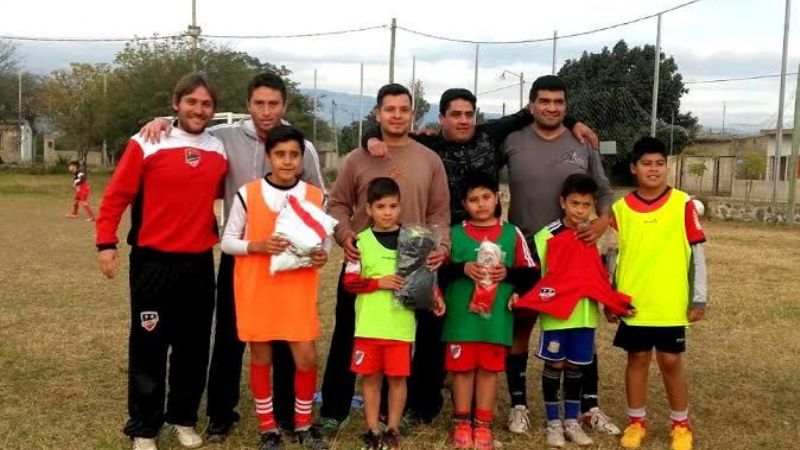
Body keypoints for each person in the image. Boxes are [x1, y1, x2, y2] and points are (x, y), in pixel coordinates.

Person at [361, 88, 599, 423]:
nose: (462, 120)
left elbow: (533, 110)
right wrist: (370, 138)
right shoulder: (429, 144)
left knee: (479, 320)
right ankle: (425, 401)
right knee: (433, 326)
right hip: (449, 240)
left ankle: (473, 400)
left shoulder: (491, 135)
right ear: (441, 118)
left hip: (489, 239)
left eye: (468, 114)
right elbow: (392, 131)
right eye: (454, 114)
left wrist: (573, 121)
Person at [138, 72, 325, 441]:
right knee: (228, 338)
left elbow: (318, 200)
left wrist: (317, 247)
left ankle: (288, 414)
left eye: (274, 103)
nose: (267, 111)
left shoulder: (301, 146)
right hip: (241, 260)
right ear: (248, 105)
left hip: (289, 263)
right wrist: (164, 121)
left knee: (288, 340)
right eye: (259, 103)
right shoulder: (223, 138)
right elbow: (190, 130)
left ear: (284, 106)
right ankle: (222, 413)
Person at [95, 73, 228, 450]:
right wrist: (105, 242)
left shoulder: (218, 150)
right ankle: (144, 428)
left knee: (193, 346)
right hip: (153, 263)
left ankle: (182, 418)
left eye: (206, 104)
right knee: (149, 345)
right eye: (191, 102)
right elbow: (117, 195)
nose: (198, 110)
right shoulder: (147, 140)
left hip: (199, 263)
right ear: (175, 104)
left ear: (213, 110)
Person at [319, 83, 450, 436]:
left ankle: (416, 408)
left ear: (412, 113)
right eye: (389, 109)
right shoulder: (357, 159)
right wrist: (346, 236)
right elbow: (338, 204)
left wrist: (443, 246)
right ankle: (334, 409)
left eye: (403, 109)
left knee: (418, 339)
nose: (396, 115)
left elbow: (439, 211)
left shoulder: (429, 159)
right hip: (367, 260)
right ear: (377, 113)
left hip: (414, 264)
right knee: (349, 334)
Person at [500, 75, 619, 435]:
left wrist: (601, 222)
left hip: (576, 253)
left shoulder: (582, 141)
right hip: (527, 251)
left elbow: (602, 190)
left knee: (581, 328)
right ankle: (519, 405)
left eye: (559, 102)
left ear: (566, 106)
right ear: (532, 104)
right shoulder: (511, 140)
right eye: (544, 101)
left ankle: (589, 407)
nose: (552, 107)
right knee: (521, 326)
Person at [220, 125, 330, 450]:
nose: (287, 161)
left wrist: (322, 255)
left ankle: (304, 424)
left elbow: (322, 241)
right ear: (269, 157)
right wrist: (258, 246)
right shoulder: (248, 193)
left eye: (293, 155)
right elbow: (227, 242)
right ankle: (268, 427)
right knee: (262, 357)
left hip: (297, 291)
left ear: (301, 158)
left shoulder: (314, 196)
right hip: (258, 289)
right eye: (280, 154)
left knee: (307, 358)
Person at [610, 137, 707, 450]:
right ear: (633, 168)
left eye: (659, 163)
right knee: (637, 358)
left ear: (668, 166)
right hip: (634, 301)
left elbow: (698, 254)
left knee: (670, 360)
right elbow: (611, 257)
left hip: (670, 300)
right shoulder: (619, 209)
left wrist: (699, 297)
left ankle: (681, 424)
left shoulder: (683, 203)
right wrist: (611, 297)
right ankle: (635, 421)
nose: (654, 169)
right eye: (646, 164)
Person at [527, 173, 634, 448]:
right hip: (556, 316)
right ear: (563, 202)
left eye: (586, 205)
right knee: (555, 365)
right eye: (574, 203)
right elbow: (534, 275)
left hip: (585, 315)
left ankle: (572, 422)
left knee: (576, 367)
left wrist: (612, 302)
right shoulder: (545, 236)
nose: (579, 210)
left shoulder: (597, 236)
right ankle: (553, 423)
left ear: (593, 206)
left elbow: (603, 276)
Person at [341, 177, 446, 450]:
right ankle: (373, 429)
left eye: (393, 206)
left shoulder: (414, 240)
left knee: (398, 380)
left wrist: (436, 297)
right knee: (371, 379)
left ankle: (393, 429)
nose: (387, 212)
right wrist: (378, 283)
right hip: (369, 327)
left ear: (401, 207)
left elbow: (424, 278)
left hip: (400, 327)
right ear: (368, 209)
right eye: (380, 206)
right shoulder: (359, 242)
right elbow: (349, 283)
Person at [438, 171, 537, 450]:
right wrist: (462, 268)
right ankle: (461, 424)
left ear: (498, 198)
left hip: (495, 322)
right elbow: (437, 272)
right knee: (462, 372)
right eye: (473, 199)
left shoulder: (511, 233)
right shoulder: (454, 234)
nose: (480, 204)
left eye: (486, 197)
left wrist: (508, 275)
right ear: (463, 203)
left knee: (488, 372)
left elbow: (530, 273)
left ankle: (482, 426)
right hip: (461, 320)